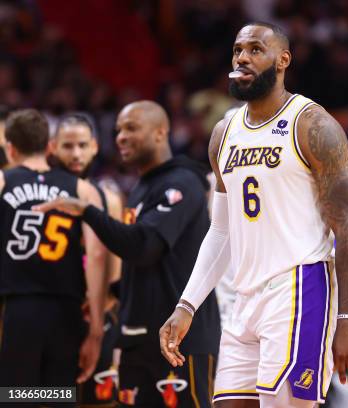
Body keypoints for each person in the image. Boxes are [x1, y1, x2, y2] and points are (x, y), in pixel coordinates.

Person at [159, 22, 348, 408]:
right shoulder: (224, 133)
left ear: (283, 60)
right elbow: (221, 232)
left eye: (255, 49)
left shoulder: (313, 125)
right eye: (238, 50)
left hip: (300, 286)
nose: (242, 57)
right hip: (244, 297)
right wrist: (186, 306)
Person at [35, 101, 221, 407]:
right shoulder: (142, 186)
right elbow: (146, 267)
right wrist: (109, 293)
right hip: (139, 339)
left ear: (161, 132)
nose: (120, 136)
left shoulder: (181, 182)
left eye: (131, 128)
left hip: (180, 342)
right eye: (119, 129)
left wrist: (87, 212)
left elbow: (144, 246)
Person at [0, 109, 107, 388]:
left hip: (16, 310)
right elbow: (96, 256)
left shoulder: (2, 181)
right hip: (67, 311)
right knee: (59, 396)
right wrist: (96, 327)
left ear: (10, 149)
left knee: (15, 398)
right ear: (49, 146)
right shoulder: (83, 189)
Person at [49, 113, 124, 407]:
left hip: (98, 316)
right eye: (68, 146)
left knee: (98, 402)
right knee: (47, 396)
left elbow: (114, 269)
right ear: (53, 147)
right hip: (55, 315)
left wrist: (99, 314)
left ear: (94, 146)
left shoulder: (109, 197)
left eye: (82, 145)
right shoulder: (42, 195)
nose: (76, 153)